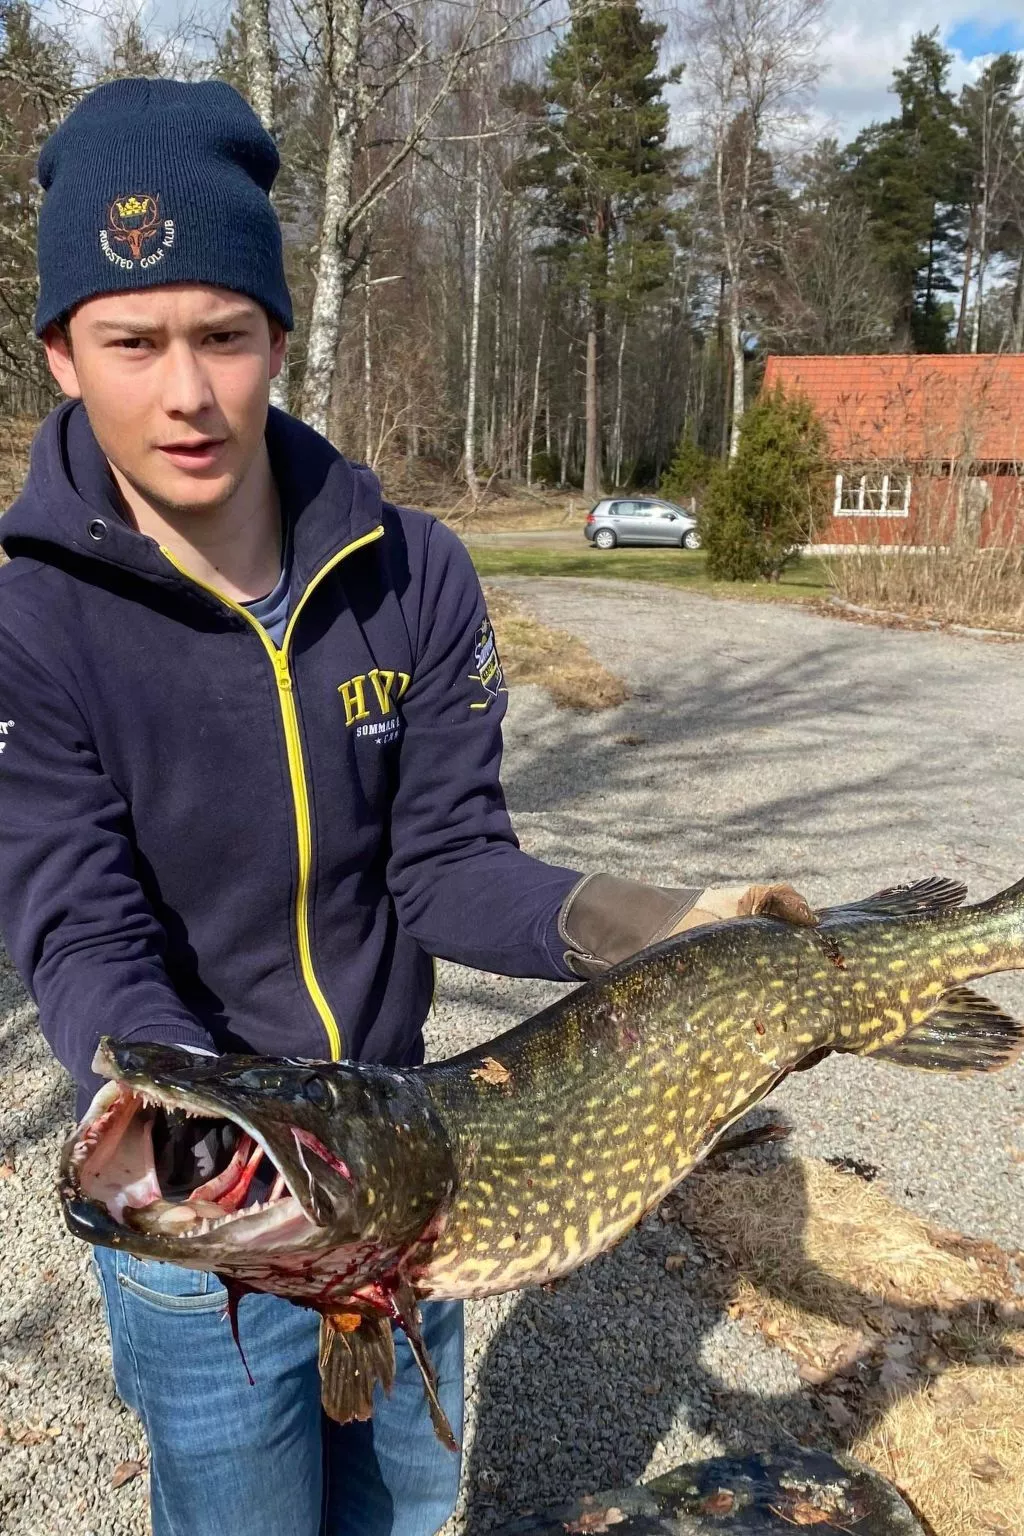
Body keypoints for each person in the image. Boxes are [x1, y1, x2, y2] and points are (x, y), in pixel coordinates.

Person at [0, 77, 810, 1536]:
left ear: (280, 340)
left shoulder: (410, 567)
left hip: (418, 1168)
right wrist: (227, 1128)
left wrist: (667, 926)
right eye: (132, 342)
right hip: (211, 1210)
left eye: (225, 337)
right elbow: (77, 928)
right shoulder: (28, 624)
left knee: (403, 1511)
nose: (185, 392)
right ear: (61, 351)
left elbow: (446, 865)